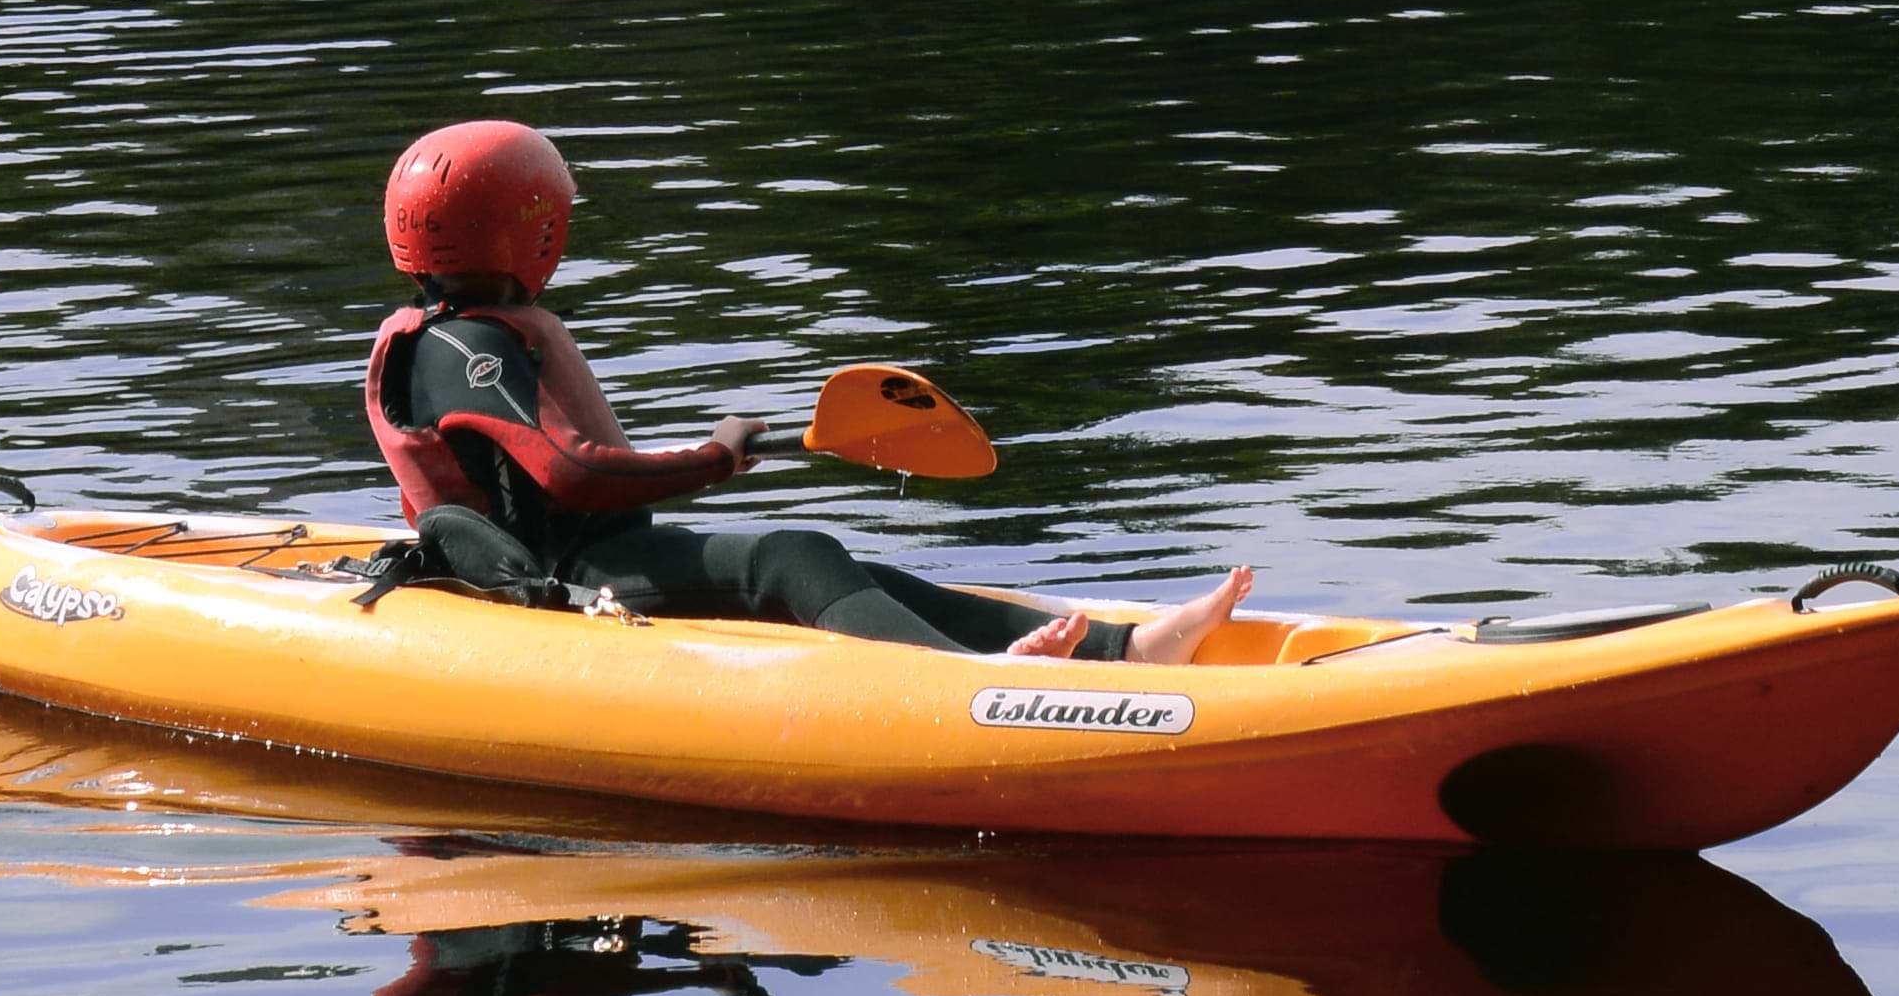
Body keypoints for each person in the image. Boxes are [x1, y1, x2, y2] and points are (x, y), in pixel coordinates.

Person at [360, 120, 1249, 662]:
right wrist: (712, 456)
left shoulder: (467, 328)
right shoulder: (460, 346)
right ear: (528, 226)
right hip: (555, 580)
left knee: (859, 573)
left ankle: (1122, 645)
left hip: (598, 555)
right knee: (794, 554)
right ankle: (988, 686)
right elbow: (571, 475)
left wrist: (703, 462)